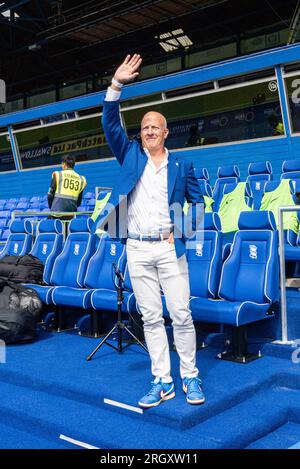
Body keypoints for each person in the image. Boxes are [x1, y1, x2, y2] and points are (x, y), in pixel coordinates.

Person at [94, 54, 205, 408]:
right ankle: (162, 380)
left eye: (155, 126)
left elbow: (199, 203)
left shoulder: (182, 165)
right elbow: (111, 124)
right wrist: (116, 85)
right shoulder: (129, 155)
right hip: (137, 249)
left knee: (182, 314)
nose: (149, 131)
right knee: (151, 317)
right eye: (144, 127)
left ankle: (190, 376)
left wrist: (183, 229)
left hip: (170, 250)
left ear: (166, 132)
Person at [47, 154, 86, 218]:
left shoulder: (58, 175)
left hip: (56, 214)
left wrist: (52, 208)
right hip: (71, 214)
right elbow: (79, 201)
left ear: (64, 164)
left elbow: (50, 195)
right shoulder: (81, 179)